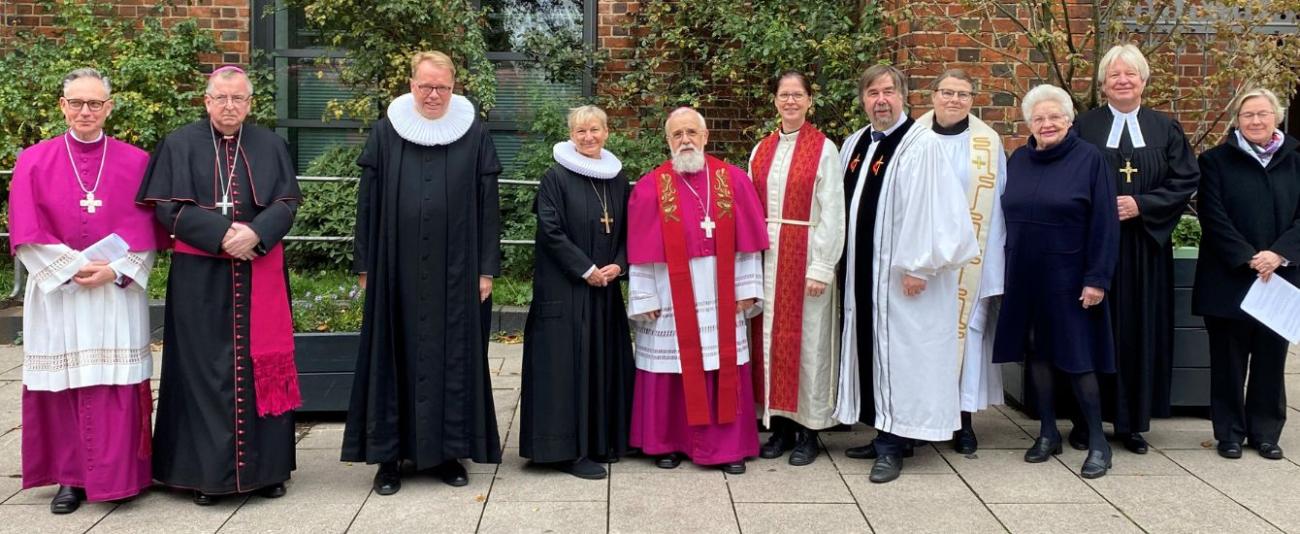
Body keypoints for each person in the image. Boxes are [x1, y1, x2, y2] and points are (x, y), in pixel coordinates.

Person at [138, 65, 302, 504]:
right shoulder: (179, 144)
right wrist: (222, 235)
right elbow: (166, 207)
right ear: (207, 101)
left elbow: (287, 202)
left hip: (258, 269)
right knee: (200, 371)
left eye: (239, 99)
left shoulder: (270, 144)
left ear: (250, 104)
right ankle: (204, 476)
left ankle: (267, 471)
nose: (230, 107)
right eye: (222, 99)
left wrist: (257, 232)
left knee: (259, 365)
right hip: (200, 278)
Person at [342, 51, 503, 494]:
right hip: (394, 266)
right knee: (391, 355)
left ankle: (448, 452)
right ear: (411, 84)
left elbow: (489, 205)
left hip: (459, 269)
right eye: (425, 86)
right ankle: (389, 458)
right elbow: (367, 203)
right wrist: (365, 265)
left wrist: (487, 268)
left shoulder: (475, 134)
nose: (434, 95)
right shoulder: (385, 131)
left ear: (454, 87)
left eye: (443, 87)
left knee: (455, 355)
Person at [10, 68, 167, 514]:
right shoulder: (34, 161)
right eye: (77, 102)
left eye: (94, 103)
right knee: (63, 385)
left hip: (115, 294)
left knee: (116, 383)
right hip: (60, 293)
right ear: (62, 105)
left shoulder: (136, 161)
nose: (85, 111)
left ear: (109, 108)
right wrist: (75, 268)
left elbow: (150, 230)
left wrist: (115, 271)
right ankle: (70, 479)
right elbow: (25, 230)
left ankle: (125, 476)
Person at [834, 65, 979, 484]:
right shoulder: (855, 144)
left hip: (905, 278)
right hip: (865, 278)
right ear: (863, 100)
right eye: (873, 93)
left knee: (904, 356)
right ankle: (885, 428)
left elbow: (933, 209)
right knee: (877, 353)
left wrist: (918, 265)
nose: (881, 100)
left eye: (888, 92)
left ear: (904, 97)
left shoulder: (921, 145)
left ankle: (894, 444)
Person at [626, 107, 769, 474]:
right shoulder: (651, 186)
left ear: (705, 137)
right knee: (670, 364)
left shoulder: (732, 180)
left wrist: (748, 287)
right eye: (677, 134)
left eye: (692, 132)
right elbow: (641, 251)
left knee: (721, 364)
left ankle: (726, 448)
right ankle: (668, 442)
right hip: (670, 292)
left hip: (721, 293)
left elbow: (748, 245)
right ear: (668, 140)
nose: (685, 140)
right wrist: (644, 296)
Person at [1073, 44, 1199, 454]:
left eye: (1130, 74)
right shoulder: (1084, 126)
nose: (1122, 81)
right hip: (1095, 250)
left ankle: (1130, 423)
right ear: (1103, 83)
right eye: (1114, 75)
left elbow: (1184, 181)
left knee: (1138, 333)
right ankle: (1084, 418)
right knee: (1093, 330)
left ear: (1144, 81)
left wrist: (1141, 204)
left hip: (1145, 248)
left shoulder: (1165, 129)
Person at [993, 84, 1120, 479]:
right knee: (1037, 354)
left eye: (1054, 117)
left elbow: (1104, 222)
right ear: (1029, 123)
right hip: (1026, 275)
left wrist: (1096, 278)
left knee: (1079, 359)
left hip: (1070, 276)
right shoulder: (1019, 160)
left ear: (1068, 120)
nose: (1046, 124)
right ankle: (1047, 432)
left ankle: (1097, 441)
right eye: (1038, 118)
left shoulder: (1089, 159)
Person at [519, 105, 634, 479]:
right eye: (581, 131)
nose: (588, 137)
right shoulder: (555, 177)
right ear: (571, 134)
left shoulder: (617, 179)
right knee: (568, 370)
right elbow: (550, 231)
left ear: (607, 132)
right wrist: (585, 269)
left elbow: (629, 231)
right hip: (567, 290)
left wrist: (619, 264)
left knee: (601, 364)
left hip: (605, 290)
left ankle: (601, 441)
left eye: (595, 129)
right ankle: (567, 451)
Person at [1193, 87, 1299, 461]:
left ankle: (1266, 432)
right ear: (1237, 120)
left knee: (1271, 360)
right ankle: (1229, 433)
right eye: (1247, 115)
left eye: (1262, 114)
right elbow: (1213, 215)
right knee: (1227, 361)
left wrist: (1279, 254)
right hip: (1230, 277)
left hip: (1280, 278)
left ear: (1277, 117)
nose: (1255, 121)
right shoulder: (1215, 161)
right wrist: (1248, 257)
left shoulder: (1297, 159)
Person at [747, 71, 845, 466]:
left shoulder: (824, 149)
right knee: (770, 343)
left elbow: (833, 212)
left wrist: (822, 266)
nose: (790, 101)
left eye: (797, 95)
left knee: (809, 343)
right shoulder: (761, 149)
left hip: (806, 259)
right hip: (769, 258)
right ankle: (779, 427)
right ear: (775, 101)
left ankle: (810, 430)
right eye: (784, 95)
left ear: (809, 101)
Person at [914, 69, 1009, 455]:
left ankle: (963, 420)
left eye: (963, 94)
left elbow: (999, 207)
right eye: (947, 92)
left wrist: (993, 269)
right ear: (933, 96)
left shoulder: (988, 142)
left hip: (970, 260)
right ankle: (918, 418)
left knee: (966, 336)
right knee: (921, 339)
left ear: (973, 100)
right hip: (923, 258)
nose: (954, 100)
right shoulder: (913, 138)